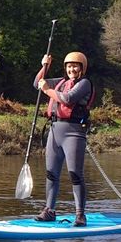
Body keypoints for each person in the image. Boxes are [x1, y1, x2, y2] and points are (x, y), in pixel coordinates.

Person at [33, 51, 95, 227]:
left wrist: (47, 90)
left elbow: (67, 99)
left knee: (75, 174)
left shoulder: (84, 83)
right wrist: (44, 66)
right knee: (51, 173)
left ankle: (80, 215)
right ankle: (49, 211)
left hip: (74, 133)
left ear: (82, 68)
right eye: (69, 66)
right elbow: (37, 83)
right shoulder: (61, 82)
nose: (71, 69)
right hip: (54, 130)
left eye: (75, 66)